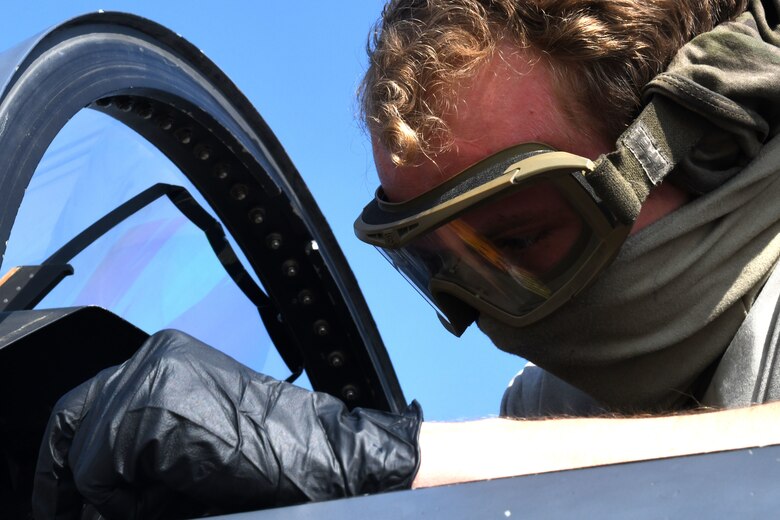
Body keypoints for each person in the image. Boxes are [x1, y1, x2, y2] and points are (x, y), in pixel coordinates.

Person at [32, 0, 780, 518]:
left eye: (517, 241)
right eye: (443, 269)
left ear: (707, 144)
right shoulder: (551, 410)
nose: (494, 316)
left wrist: (379, 459)